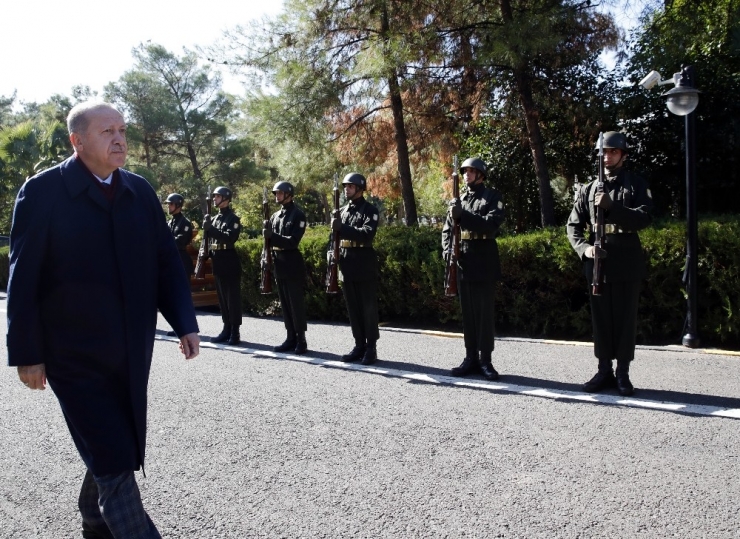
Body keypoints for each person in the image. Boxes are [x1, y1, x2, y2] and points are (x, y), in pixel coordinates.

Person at [6, 101, 200, 538]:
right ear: (77, 142)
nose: (119, 139)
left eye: (122, 130)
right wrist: (27, 354)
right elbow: (24, 277)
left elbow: (165, 260)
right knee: (114, 457)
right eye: (106, 131)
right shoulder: (42, 192)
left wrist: (184, 321)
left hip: (130, 349)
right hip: (71, 355)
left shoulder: (139, 191)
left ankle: (93, 517)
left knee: (120, 440)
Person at [566, 131, 653, 396]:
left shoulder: (636, 184)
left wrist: (613, 207)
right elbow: (573, 226)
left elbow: (645, 217)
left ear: (623, 155)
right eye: (604, 152)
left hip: (626, 259)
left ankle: (623, 373)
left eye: (613, 151)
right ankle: (604, 370)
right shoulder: (589, 188)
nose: (607, 156)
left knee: (625, 318)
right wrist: (585, 249)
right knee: (601, 318)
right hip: (598, 263)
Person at [441, 157, 505, 381]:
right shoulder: (458, 200)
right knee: (467, 314)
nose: (467, 174)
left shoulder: (492, 197)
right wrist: (447, 252)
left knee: (484, 314)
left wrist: (463, 215)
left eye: (471, 171)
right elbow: (448, 229)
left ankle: (485, 360)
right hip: (463, 261)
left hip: (483, 261)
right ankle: (470, 357)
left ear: (481, 174)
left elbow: (490, 224)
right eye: (465, 171)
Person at [330, 173, 380, 365]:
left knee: (368, 308)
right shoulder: (341, 211)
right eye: (345, 187)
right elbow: (332, 239)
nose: (346, 190)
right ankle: (359, 344)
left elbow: (367, 234)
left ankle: (371, 348)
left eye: (350, 187)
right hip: (346, 262)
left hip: (363, 262)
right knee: (353, 308)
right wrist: (330, 253)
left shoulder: (370, 210)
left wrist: (342, 228)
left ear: (360, 189)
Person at [263, 181, 309, 354]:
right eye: (276, 193)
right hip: (278, 262)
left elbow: (292, 241)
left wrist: (272, 236)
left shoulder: (298, 215)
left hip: (291, 262)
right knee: (285, 303)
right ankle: (290, 337)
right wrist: (265, 256)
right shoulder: (275, 216)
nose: (277, 196)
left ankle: (301, 340)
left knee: (295, 303)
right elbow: (268, 242)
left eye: (280, 193)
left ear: (289, 194)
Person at [202, 186, 242, 345]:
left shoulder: (233, 219)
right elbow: (211, 240)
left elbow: (229, 238)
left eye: (217, 197)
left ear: (225, 199)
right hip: (218, 260)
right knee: (222, 299)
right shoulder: (215, 218)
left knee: (232, 298)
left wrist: (210, 229)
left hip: (229, 260)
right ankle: (226, 328)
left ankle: (235, 332)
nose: (214, 199)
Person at [165, 193, 194, 277]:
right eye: (168, 204)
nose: (168, 206)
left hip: (181, 260)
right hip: (170, 259)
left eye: (171, 204)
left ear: (178, 205)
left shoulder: (185, 223)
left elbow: (181, 241)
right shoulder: (169, 222)